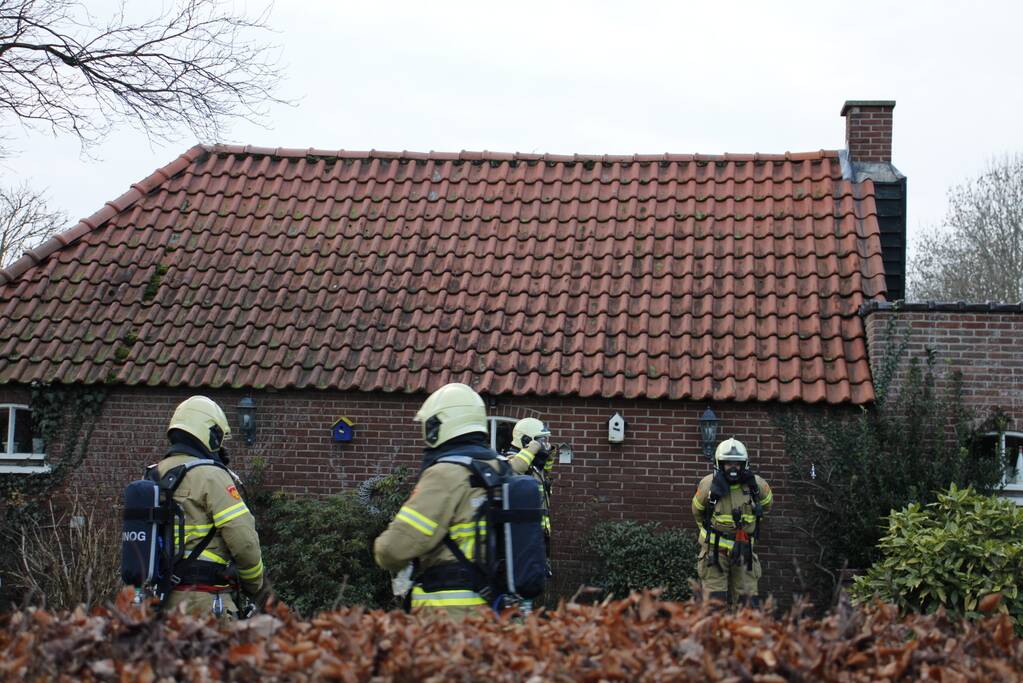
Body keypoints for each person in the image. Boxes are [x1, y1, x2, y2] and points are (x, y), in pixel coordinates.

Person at [373, 382, 503, 619]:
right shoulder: (501, 469)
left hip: (449, 617)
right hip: (496, 609)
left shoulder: (445, 474)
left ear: (437, 426)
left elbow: (392, 549)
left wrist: (381, 550)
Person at [157, 396, 271, 621]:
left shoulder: (154, 473)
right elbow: (244, 541)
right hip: (204, 604)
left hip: (159, 603)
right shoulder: (212, 475)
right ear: (210, 433)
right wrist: (256, 586)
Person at [691, 437, 773, 608]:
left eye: (737, 463)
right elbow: (697, 512)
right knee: (714, 604)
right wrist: (709, 534)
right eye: (728, 463)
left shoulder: (756, 485)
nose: (733, 468)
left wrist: (749, 530)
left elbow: (766, 507)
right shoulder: (708, 485)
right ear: (719, 464)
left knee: (748, 604)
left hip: (744, 551)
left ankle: (742, 634)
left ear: (744, 464)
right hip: (714, 553)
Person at [503, 417, 555, 562]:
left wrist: (548, 456)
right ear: (527, 440)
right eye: (541, 441)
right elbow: (516, 470)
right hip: (523, 536)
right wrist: (533, 448)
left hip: (538, 535)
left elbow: (545, 474)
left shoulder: (533, 465)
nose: (544, 444)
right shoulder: (510, 459)